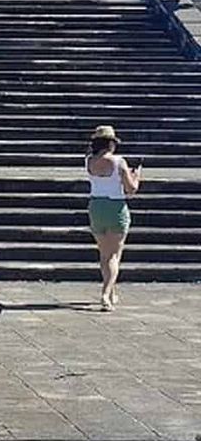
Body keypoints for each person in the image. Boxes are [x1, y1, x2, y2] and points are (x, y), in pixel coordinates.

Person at [85, 123, 141, 311]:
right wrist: (137, 176)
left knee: (104, 254)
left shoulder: (89, 161)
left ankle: (112, 291)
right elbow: (131, 189)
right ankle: (105, 294)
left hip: (96, 206)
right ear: (111, 144)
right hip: (115, 207)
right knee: (114, 255)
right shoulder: (118, 161)